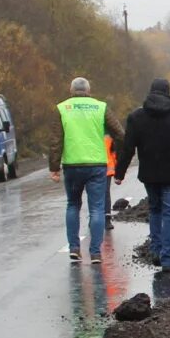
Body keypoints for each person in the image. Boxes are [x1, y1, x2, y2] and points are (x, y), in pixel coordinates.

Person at [115, 78, 170, 273]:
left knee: (155, 210)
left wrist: (119, 173)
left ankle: (155, 250)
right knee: (169, 214)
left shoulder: (136, 117)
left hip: (149, 174)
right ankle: (167, 259)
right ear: (168, 93)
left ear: (150, 92)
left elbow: (127, 148)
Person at [48, 77, 124, 264]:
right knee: (97, 208)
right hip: (96, 164)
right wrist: (120, 160)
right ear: (89, 90)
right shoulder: (101, 107)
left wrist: (54, 168)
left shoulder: (62, 108)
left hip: (72, 165)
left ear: (71, 90)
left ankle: (74, 248)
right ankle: (95, 252)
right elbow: (120, 134)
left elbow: (56, 140)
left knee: (73, 205)